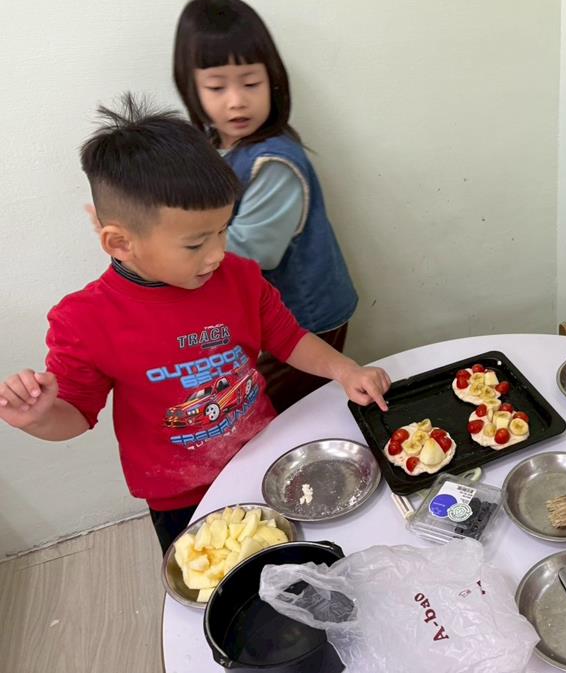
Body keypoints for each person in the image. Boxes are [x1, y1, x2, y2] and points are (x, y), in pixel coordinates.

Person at [0, 97, 390, 553]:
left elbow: (288, 338)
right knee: (217, 581)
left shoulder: (239, 276)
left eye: (223, 229)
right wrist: (39, 417)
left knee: (295, 561)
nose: (218, 253)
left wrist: (344, 369)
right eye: (195, 243)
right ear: (120, 242)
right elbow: (75, 415)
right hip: (182, 497)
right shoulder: (84, 321)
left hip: (263, 459)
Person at [173, 0, 358, 412]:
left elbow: (252, 250)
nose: (236, 100)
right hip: (271, 320)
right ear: (192, 89)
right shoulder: (213, 146)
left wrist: (169, 247)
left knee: (285, 413)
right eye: (216, 87)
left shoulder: (273, 162)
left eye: (250, 84)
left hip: (305, 324)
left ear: (273, 81)